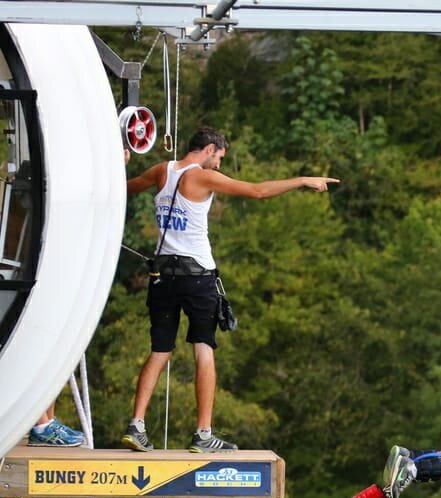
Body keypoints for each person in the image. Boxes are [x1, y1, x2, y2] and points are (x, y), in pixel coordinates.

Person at [122, 127, 338, 453]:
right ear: (209, 149)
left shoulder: (161, 171)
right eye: (219, 158)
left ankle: (136, 425)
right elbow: (258, 191)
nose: (219, 166)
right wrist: (301, 180)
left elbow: (123, 189)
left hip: (163, 275)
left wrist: (116, 162)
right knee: (203, 348)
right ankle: (203, 434)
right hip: (197, 277)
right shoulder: (201, 177)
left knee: (159, 350)